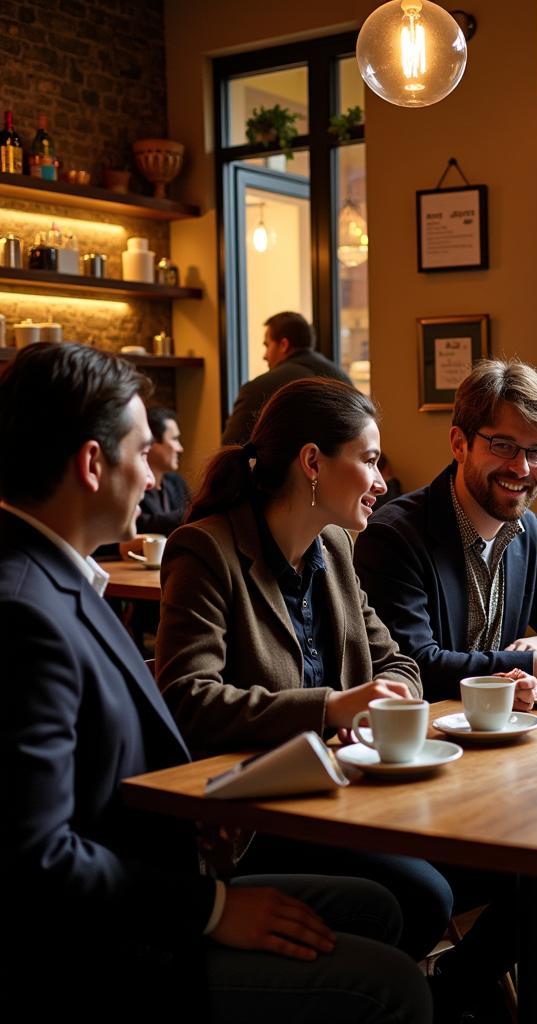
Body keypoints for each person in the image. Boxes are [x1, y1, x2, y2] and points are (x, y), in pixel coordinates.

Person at [0, 343, 430, 1024]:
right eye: (143, 452)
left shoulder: (61, 582)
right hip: (112, 945)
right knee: (394, 984)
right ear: (90, 465)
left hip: (184, 860)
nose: (155, 476)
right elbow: (35, 859)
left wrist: (206, 818)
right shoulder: (24, 611)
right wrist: (214, 908)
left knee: (384, 905)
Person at [156, 376, 452, 965]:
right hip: (257, 823)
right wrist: (330, 707)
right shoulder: (206, 551)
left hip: (347, 799)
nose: (381, 481)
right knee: (425, 895)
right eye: (369, 461)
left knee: (465, 874)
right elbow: (186, 697)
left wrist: (389, 700)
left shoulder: (336, 548)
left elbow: (394, 658)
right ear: (312, 462)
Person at [353, 358, 537, 700]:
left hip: (505, 733)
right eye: (503, 446)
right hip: (426, 740)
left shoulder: (526, 530)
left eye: (536, 451)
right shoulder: (393, 537)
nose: (522, 468)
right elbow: (419, 666)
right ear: (459, 444)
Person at [221, 311, 353, 445]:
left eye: (267, 345)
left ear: (284, 345)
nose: (264, 355)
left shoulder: (259, 388)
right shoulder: (343, 380)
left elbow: (231, 451)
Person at [138, 405, 190, 535]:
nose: (180, 448)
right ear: (152, 443)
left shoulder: (177, 483)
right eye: (174, 439)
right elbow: (143, 524)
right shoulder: (134, 487)